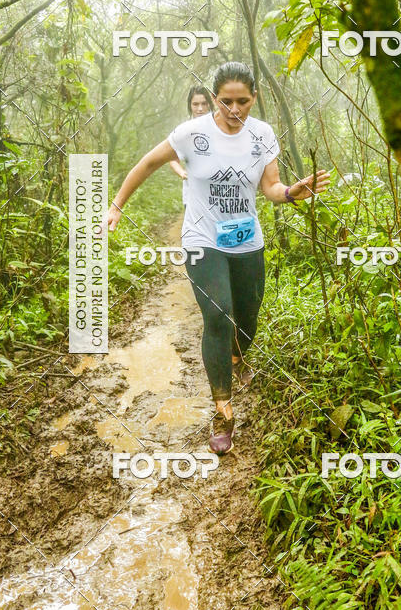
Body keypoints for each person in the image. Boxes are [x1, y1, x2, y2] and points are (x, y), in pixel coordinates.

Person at [107, 62, 330, 454]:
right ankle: (223, 412)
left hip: (247, 243)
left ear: (254, 99)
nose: (234, 109)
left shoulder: (261, 135)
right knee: (218, 314)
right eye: (226, 101)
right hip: (201, 239)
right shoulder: (192, 134)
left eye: (242, 101)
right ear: (213, 99)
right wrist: (116, 206)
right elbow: (147, 164)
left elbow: (272, 188)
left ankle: (238, 356)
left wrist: (293, 192)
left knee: (247, 318)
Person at [168, 86, 213, 205]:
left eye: (204, 103)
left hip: (216, 197)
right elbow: (172, 159)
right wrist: (182, 173)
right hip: (192, 197)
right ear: (190, 105)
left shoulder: (218, 128)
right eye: (195, 104)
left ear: (209, 104)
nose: (200, 108)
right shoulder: (184, 131)